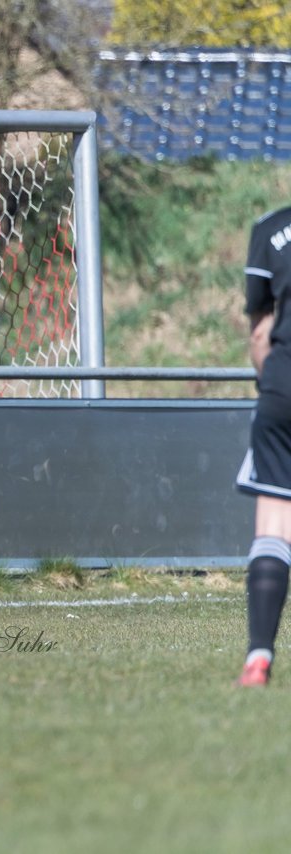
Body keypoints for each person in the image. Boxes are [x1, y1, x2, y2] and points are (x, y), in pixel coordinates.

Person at [235, 203, 291, 684]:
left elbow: (260, 334)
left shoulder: (272, 230)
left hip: (284, 387)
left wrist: (272, 385)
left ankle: (258, 657)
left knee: (274, 523)